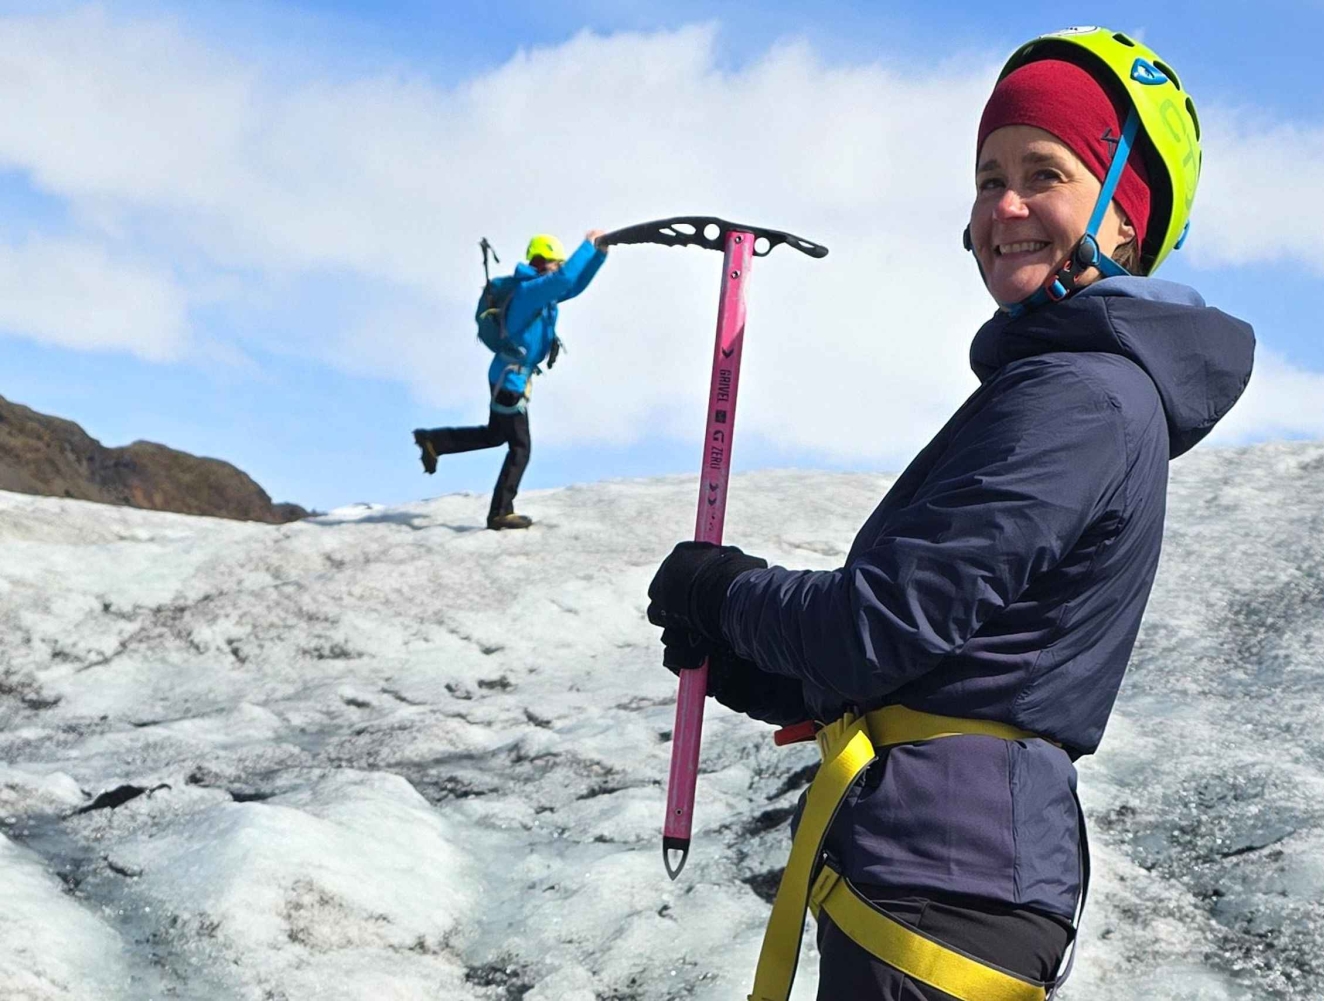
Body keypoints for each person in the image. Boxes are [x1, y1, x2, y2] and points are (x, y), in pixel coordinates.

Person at [646, 27, 1256, 1001]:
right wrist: (751, 666)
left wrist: (728, 592)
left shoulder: (1081, 398)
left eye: (1043, 173)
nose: (1004, 205)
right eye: (987, 176)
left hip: (946, 889)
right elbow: (950, 660)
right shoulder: (1058, 384)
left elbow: (877, 625)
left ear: (1124, 217)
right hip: (939, 881)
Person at [414, 231, 608, 529]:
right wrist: (588, 245)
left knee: (495, 435)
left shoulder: (539, 292)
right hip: (509, 383)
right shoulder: (529, 293)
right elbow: (564, 280)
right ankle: (500, 512)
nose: (560, 267)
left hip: (507, 377)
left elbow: (573, 286)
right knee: (520, 446)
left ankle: (434, 440)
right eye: (557, 262)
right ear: (543, 263)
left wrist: (599, 255)